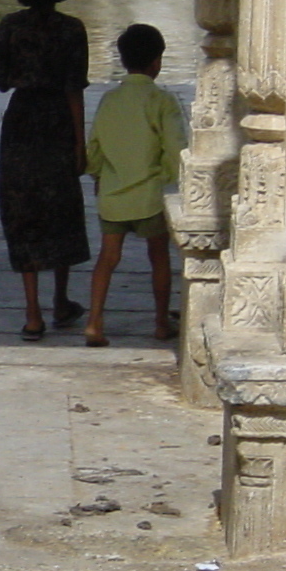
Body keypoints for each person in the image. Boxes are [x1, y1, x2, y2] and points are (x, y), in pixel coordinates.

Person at [0, 0, 90, 341]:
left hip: (21, 121)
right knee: (61, 208)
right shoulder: (73, 29)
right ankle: (61, 299)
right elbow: (75, 89)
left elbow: (0, 78)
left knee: (22, 210)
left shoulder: (10, 26)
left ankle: (32, 313)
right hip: (57, 122)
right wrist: (80, 145)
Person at [83, 22, 187, 347]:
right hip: (150, 196)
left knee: (107, 257)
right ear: (157, 61)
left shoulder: (109, 100)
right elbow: (175, 148)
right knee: (159, 257)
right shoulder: (162, 101)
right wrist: (175, 180)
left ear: (123, 59)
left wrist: (98, 176)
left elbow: (95, 146)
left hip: (114, 194)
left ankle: (94, 322)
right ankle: (159, 322)